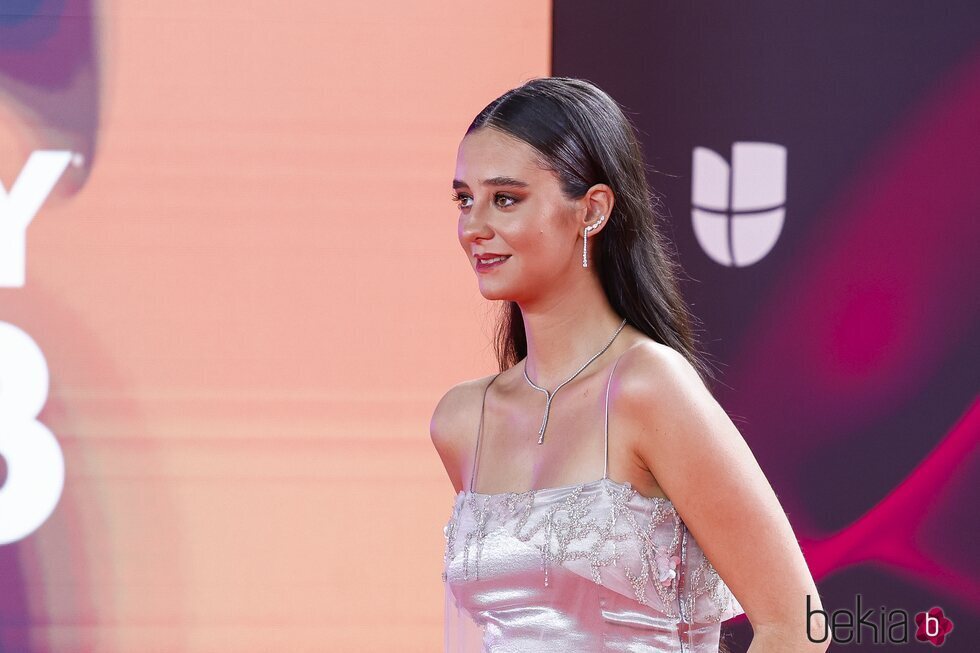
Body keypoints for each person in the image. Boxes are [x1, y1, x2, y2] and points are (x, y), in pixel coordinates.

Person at [430, 77, 828, 653]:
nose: (473, 227)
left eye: (506, 198)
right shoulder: (463, 420)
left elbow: (796, 626)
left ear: (592, 210)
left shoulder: (648, 387)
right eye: (465, 199)